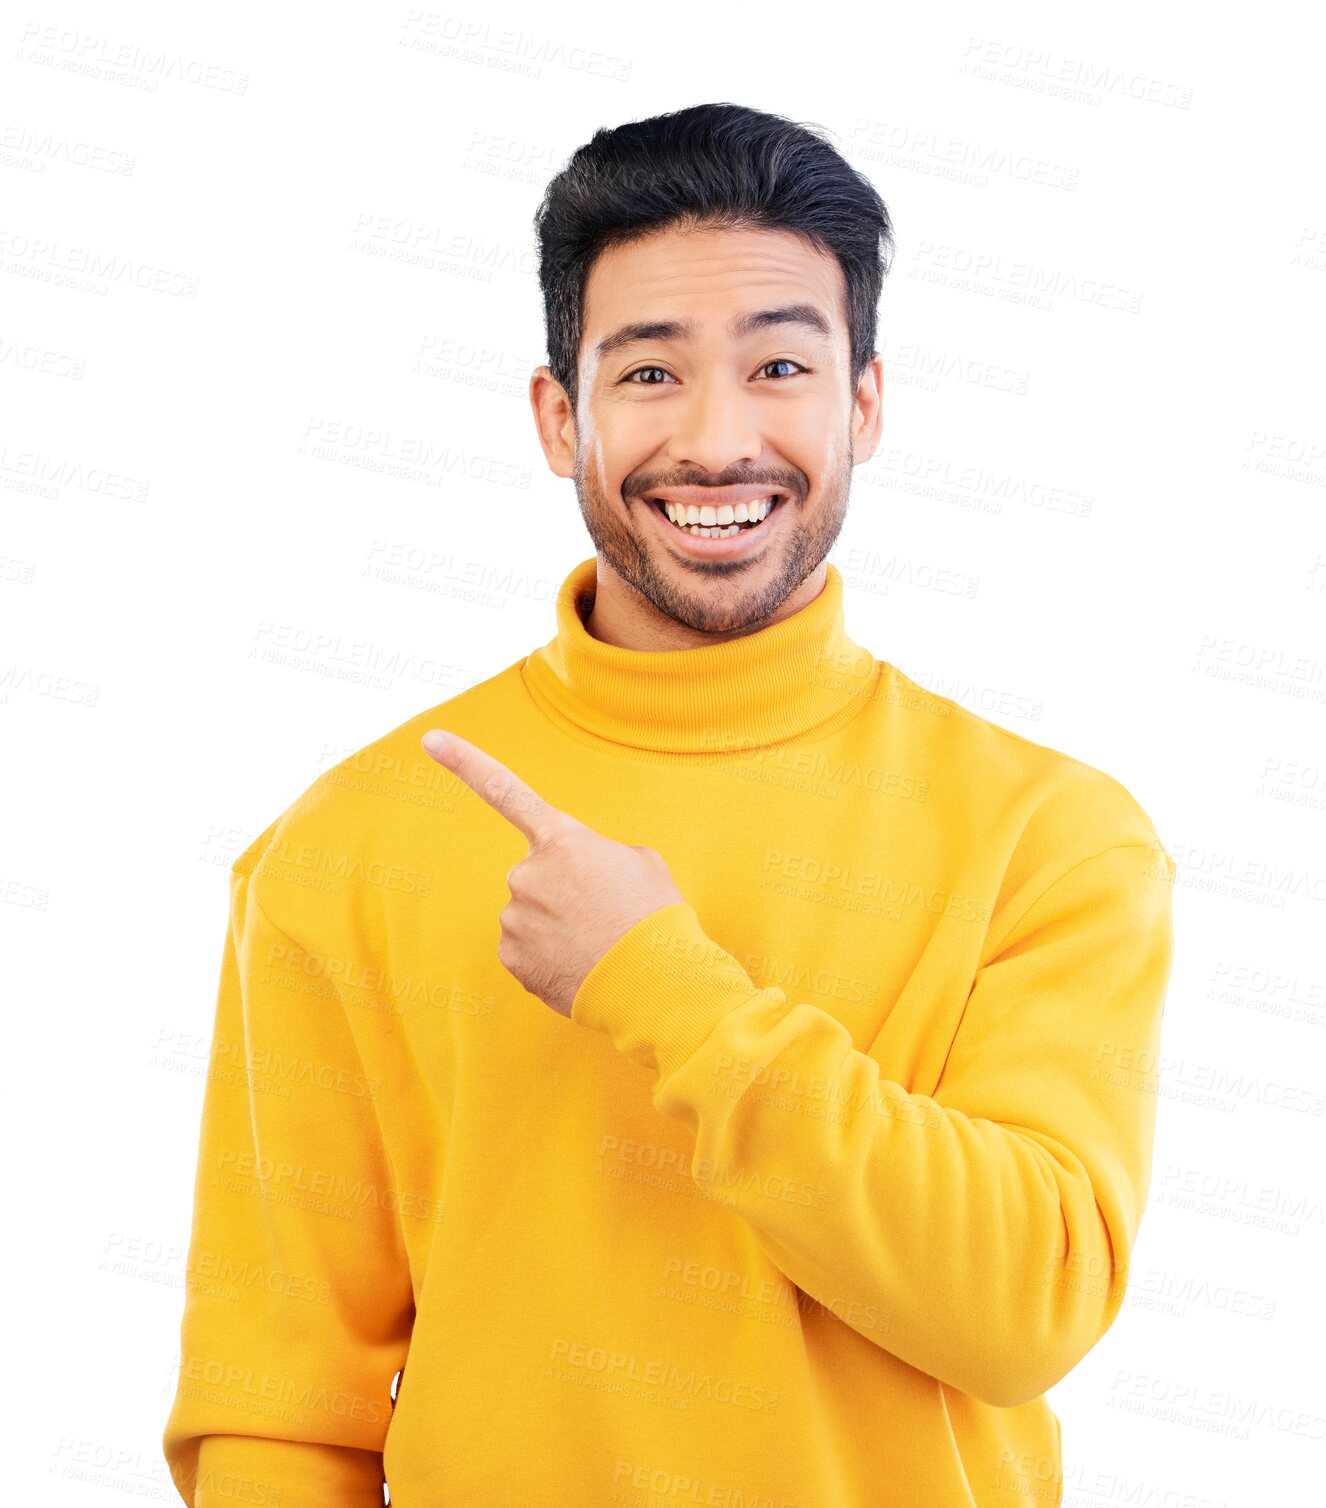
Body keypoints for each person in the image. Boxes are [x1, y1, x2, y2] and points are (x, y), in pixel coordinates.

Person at [163, 101, 1176, 1507]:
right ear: (555, 412)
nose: (716, 439)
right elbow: (280, 1408)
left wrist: (664, 987)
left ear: (862, 405)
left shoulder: (1047, 838)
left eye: (777, 365)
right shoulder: (347, 844)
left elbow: (1022, 1308)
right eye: (648, 373)